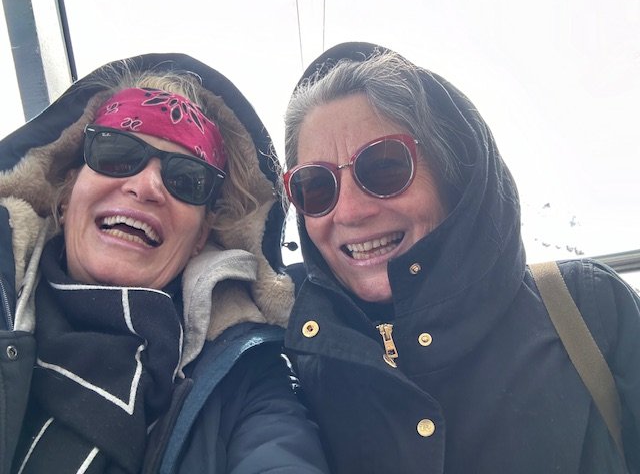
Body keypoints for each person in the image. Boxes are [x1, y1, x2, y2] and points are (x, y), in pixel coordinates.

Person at [281, 41, 640, 473]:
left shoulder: (589, 309)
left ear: (451, 174)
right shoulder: (287, 367)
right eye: (316, 186)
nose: (350, 212)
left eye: (384, 167)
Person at [0, 53, 329, 474]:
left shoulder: (247, 377)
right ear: (65, 194)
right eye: (116, 153)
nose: (146, 186)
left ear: (200, 238)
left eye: (186, 179)